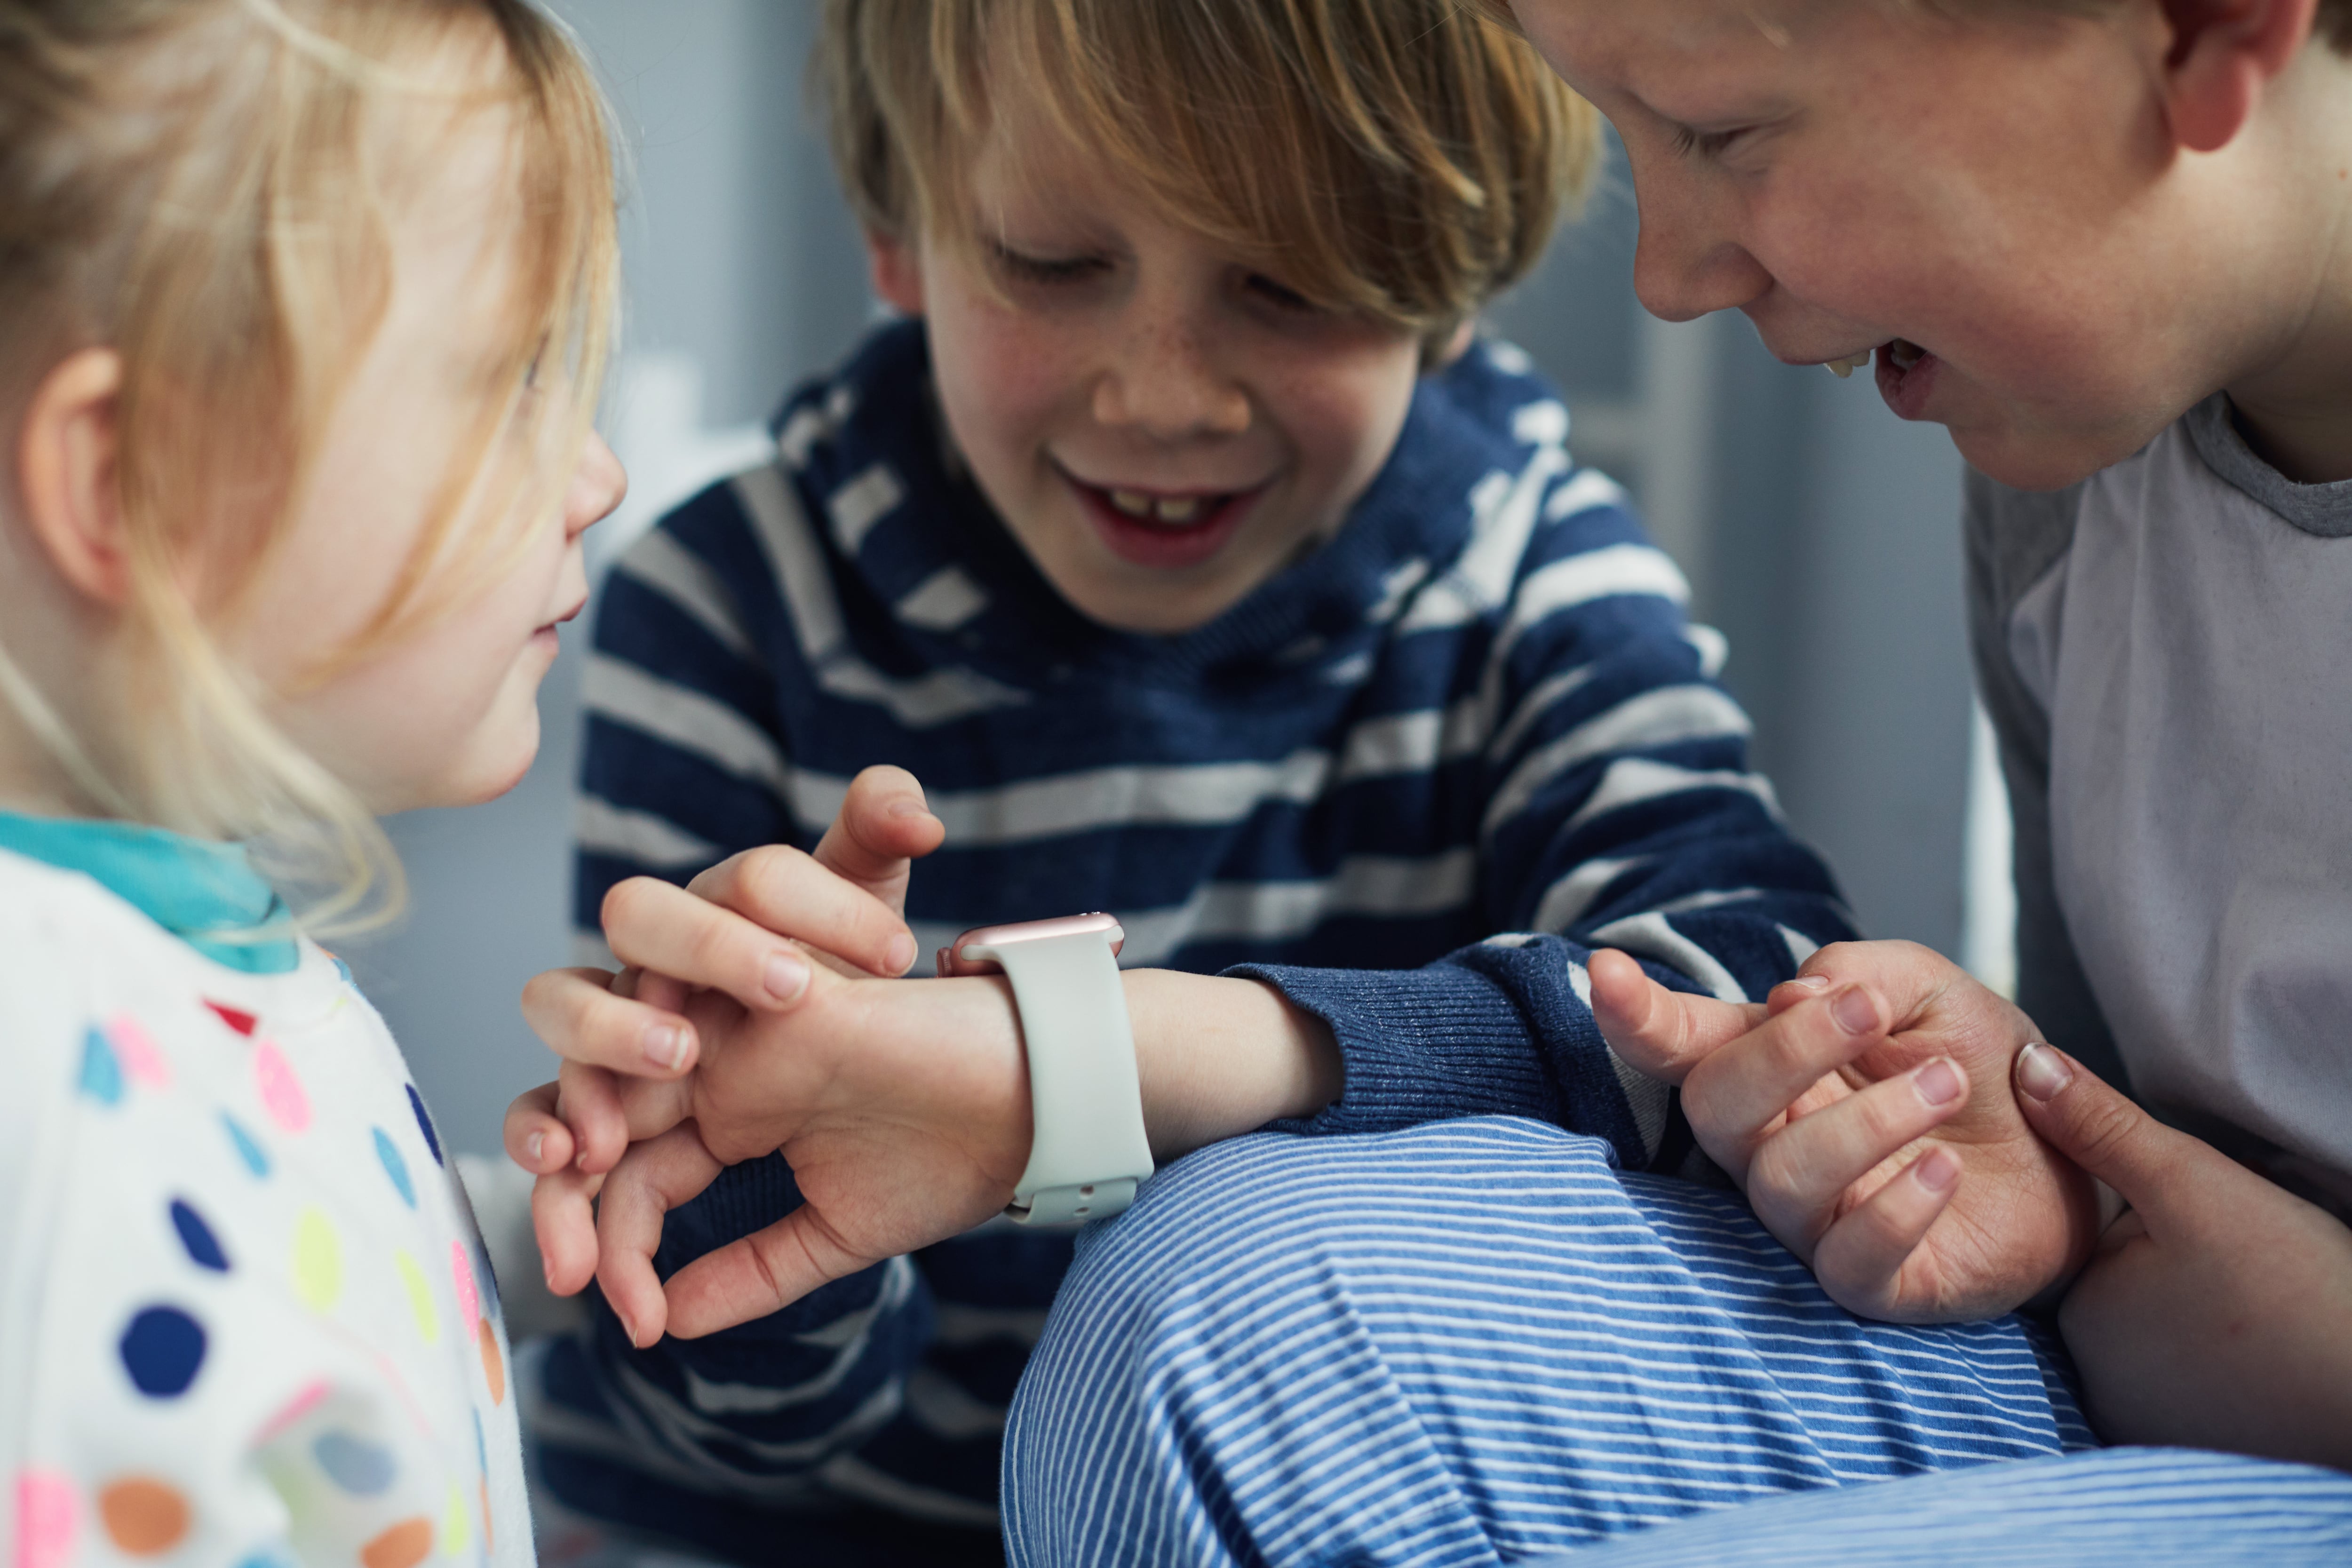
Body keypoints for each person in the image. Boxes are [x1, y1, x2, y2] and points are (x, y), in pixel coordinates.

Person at [500, 0, 2123, 1561]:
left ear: (1453, 278)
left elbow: (1758, 1006)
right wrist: (743, 1139)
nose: (1164, 394)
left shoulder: (1523, 579)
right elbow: (722, 1408)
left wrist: (1126, 1061)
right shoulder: (731, 602)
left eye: (1290, 288)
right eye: (1054, 265)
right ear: (898, 232)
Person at [0, 3, 625, 1564]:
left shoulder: (169, 947)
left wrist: (595, 1220)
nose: (598, 474)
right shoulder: (37, 1059)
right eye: (514, 381)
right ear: (140, 481)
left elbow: (275, 1302)